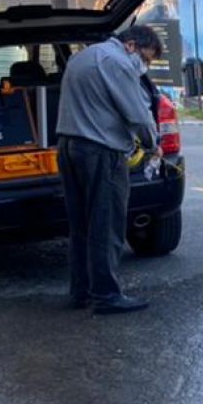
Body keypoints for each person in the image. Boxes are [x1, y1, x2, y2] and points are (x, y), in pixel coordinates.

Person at [55, 23, 159, 315]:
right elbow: (138, 115)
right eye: (146, 59)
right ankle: (105, 295)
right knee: (106, 224)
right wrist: (153, 144)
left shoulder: (80, 58)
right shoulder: (118, 62)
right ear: (131, 45)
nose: (145, 66)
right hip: (101, 153)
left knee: (81, 225)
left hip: (68, 147)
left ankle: (81, 291)